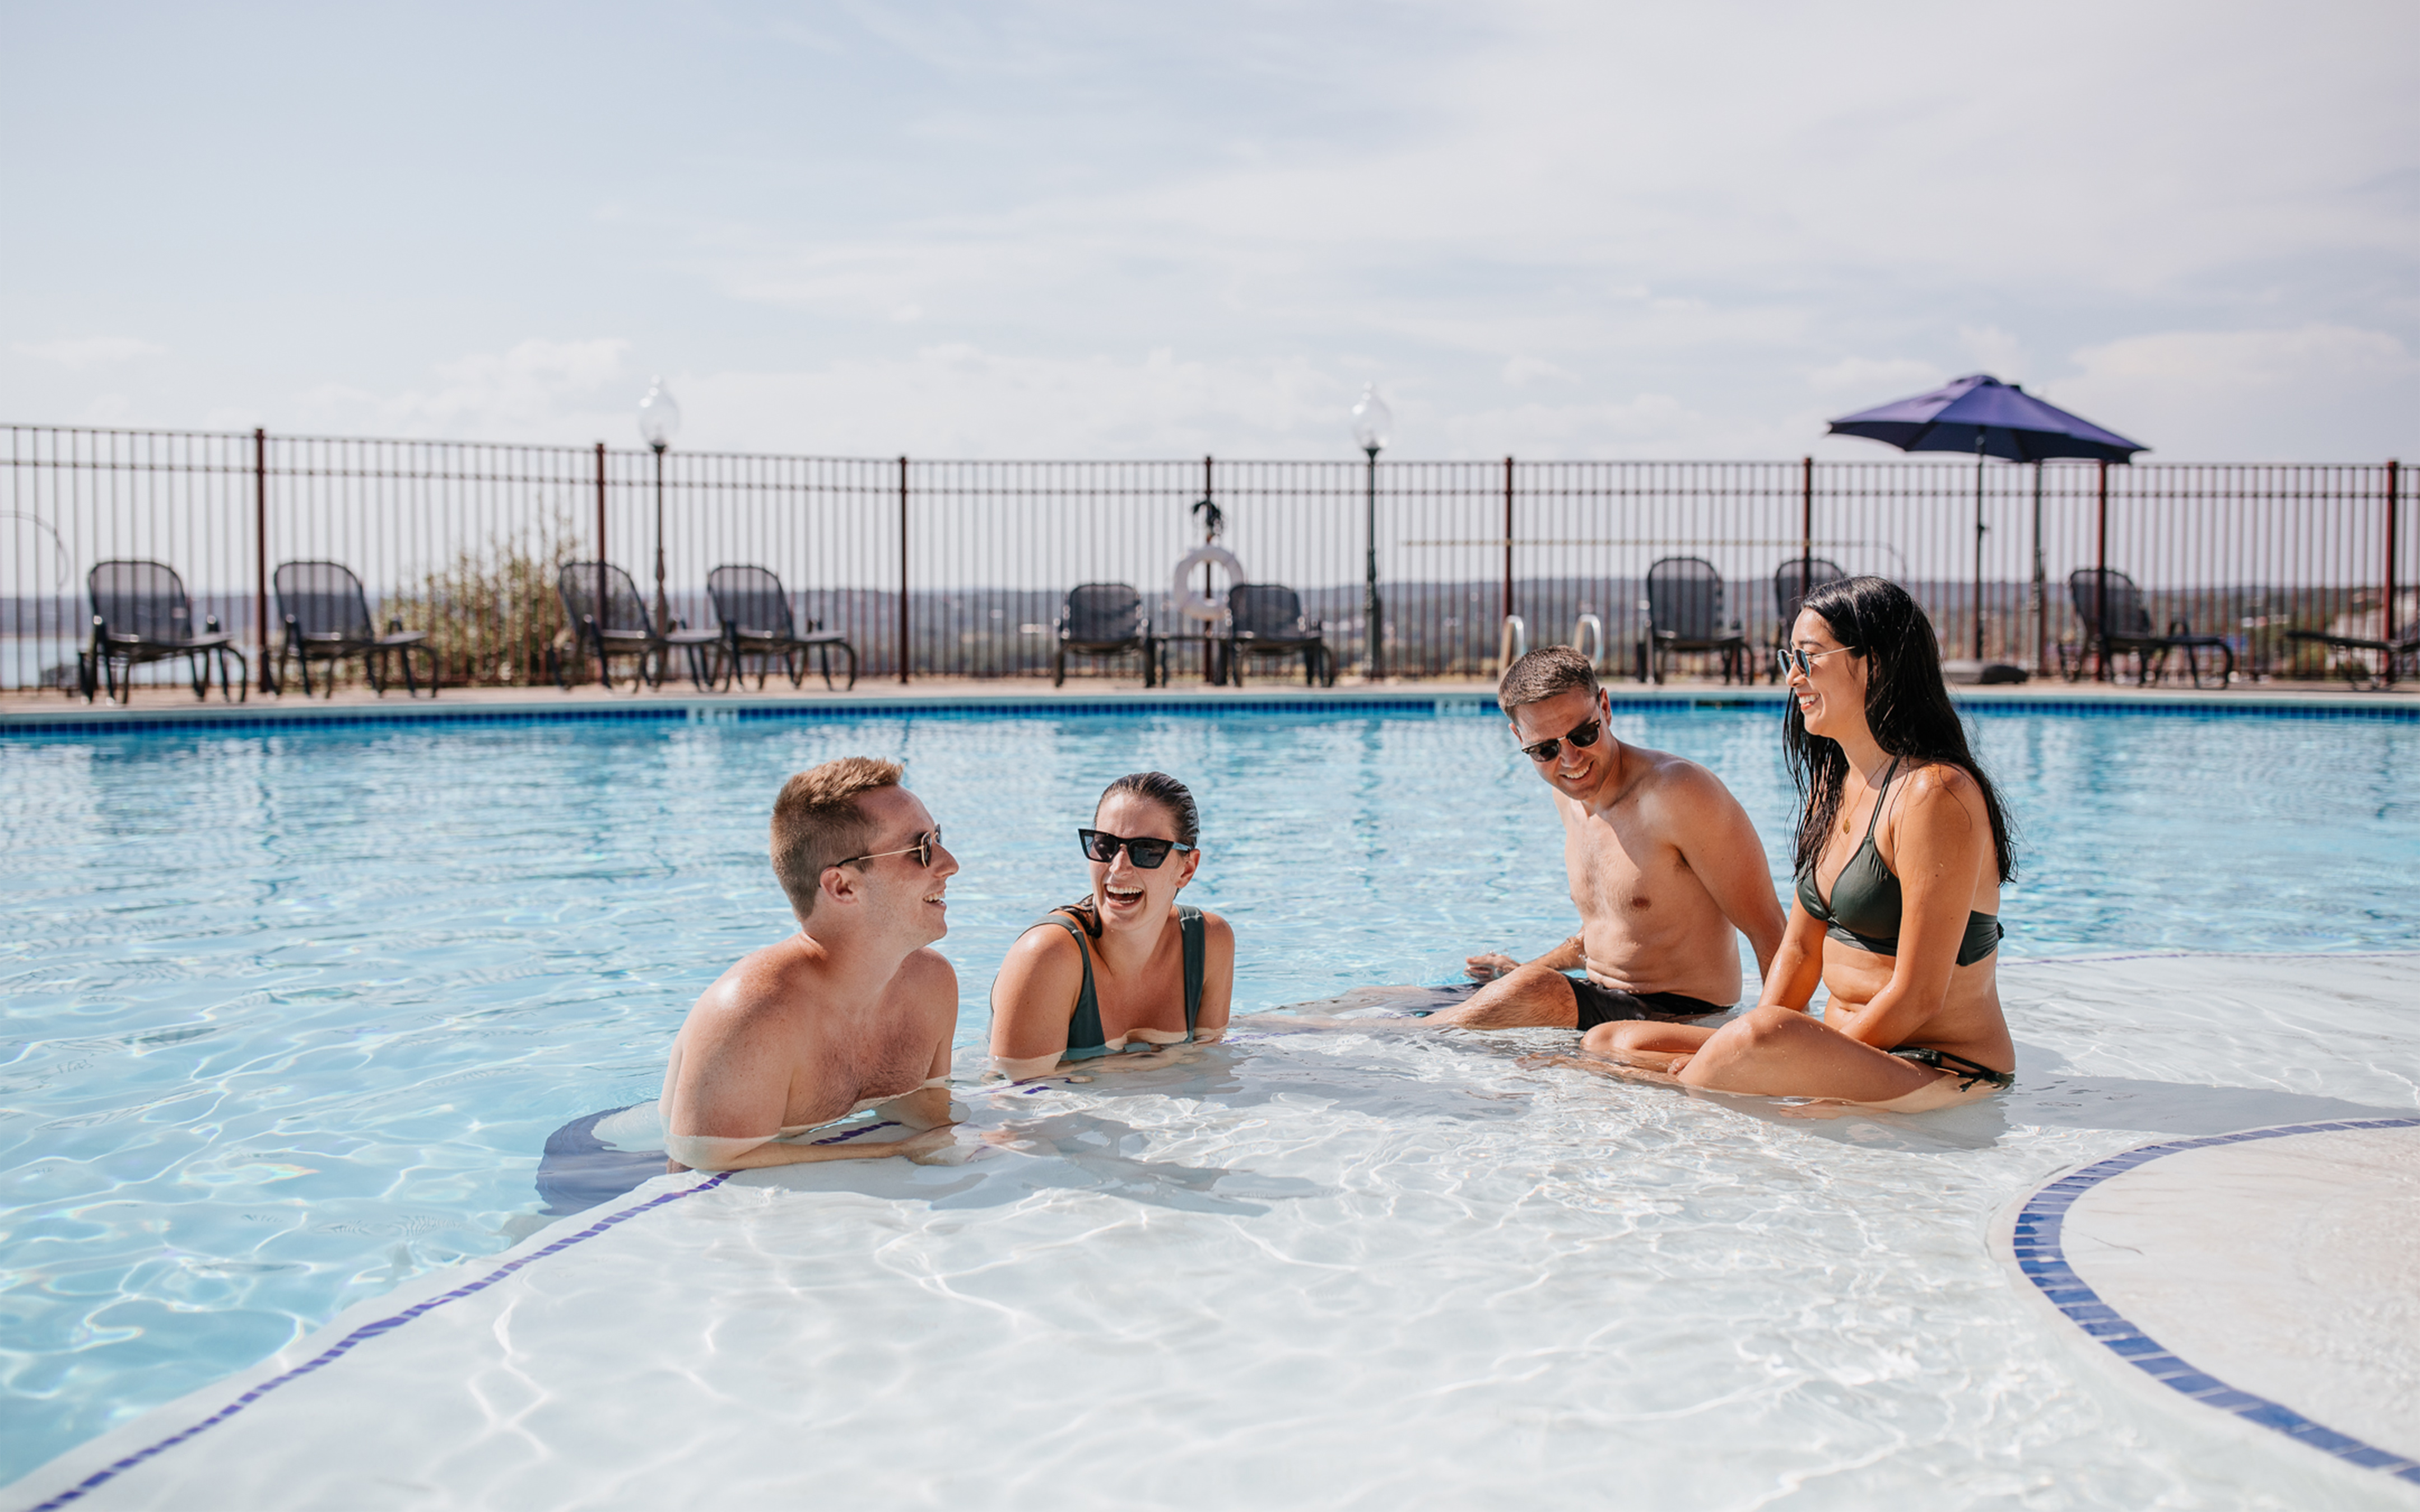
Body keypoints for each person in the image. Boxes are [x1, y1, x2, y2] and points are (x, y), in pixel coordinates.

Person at [1585, 577, 2016, 1110]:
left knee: (1756, 1041)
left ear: (1873, 662)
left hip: (1939, 1068)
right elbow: (1801, 947)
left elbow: (1919, 997)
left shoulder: (1936, 794)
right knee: (1612, 1040)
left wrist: (1765, 1054)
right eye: (1791, 657)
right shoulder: (1833, 787)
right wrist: (1759, 1045)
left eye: (1808, 659)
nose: (1792, 677)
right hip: (1847, 1052)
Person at [1434, 645, 1785, 1030]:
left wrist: (1772, 1043)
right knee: (1385, 998)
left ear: (1605, 707)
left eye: (1583, 735)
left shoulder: (1679, 793)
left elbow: (1770, 930)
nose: (1570, 761)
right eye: (1545, 750)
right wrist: (1524, 970)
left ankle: (1396, 1042)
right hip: (1602, 996)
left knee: (1533, 991)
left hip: (1678, 1013)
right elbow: (1609, 930)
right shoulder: (1568, 798)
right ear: (1519, 738)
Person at [658, 757, 962, 1170]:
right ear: (842, 886)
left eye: (938, 837)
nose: (949, 864)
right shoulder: (753, 1017)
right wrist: (890, 1153)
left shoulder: (932, 984)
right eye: (921, 849)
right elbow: (704, 1175)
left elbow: (921, 1107)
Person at [989, 771, 1235, 1080]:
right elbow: (1013, 1103)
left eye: (1146, 850)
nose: (1118, 868)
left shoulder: (1209, 943)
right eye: (1105, 845)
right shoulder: (1047, 957)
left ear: (1186, 869)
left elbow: (1209, 1067)